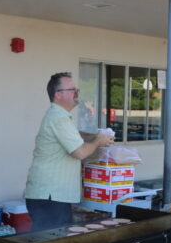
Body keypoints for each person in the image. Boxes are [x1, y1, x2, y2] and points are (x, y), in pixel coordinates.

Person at [25, 72, 114, 230]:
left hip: (52, 195)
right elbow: (80, 152)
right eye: (72, 89)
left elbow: (74, 136)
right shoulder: (58, 118)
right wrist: (98, 141)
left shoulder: (60, 117)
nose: (77, 93)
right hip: (51, 196)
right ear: (58, 94)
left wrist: (94, 136)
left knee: (53, 239)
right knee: (53, 240)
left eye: (77, 89)